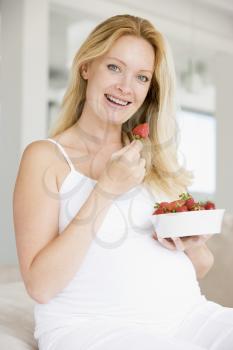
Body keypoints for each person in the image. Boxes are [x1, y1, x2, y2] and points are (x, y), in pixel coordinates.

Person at [13, 14, 233, 350]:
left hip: (189, 317)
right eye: (114, 67)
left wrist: (190, 242)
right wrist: (105, 191)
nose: (126, 87)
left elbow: (202, 267)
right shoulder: (46, 157)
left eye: (142, 77)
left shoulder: (153, 159)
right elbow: (40, 286)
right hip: (94, 327)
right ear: (87, 66)